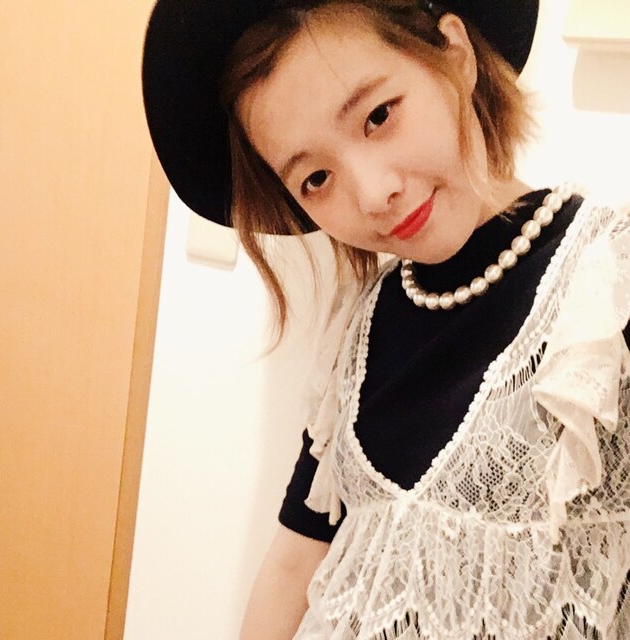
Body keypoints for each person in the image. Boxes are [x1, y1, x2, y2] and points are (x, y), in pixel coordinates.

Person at [142, 0, 630, 638]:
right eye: (317, 177)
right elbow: (294, 563)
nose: (374, 194)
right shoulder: (360, 333)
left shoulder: (603, 292)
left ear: (455, 54)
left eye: (378, 116)